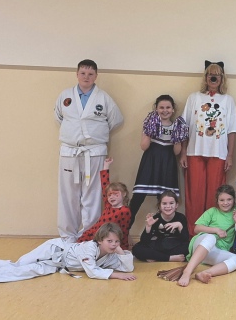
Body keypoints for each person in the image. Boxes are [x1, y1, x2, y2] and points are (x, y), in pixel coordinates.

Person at [55, 59, 123, 242]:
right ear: (77, 74)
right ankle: (67, 236)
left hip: (94, 151)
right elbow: (59, 117)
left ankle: (90, 235)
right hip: (70, 151)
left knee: (92, 195)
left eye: (90, 74)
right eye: (83, 73)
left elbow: (115, 120)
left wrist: (94, 134)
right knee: (68, 195)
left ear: (96, 76)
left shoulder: (104, 98)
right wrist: (75, 133)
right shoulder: (65, 96)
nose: (86, 77)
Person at [0, 223, 135, 287]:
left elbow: (128, 267)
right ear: (100, 240)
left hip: (56, 265)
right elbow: (92, 271)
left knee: (23, 272)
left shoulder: (110, 254)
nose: (113, 245)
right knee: (18, 264)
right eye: (110, 241)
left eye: (116, 241)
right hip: (53, 250)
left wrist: (120, 251)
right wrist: (117, 275)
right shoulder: (89, 248)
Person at [180, 61, 236, 233]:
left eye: (217, 75)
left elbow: (232, 130)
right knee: (195, 195)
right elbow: (185, 127)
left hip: (218, 154)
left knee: (216, 195)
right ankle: (193, 234)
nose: (213, 78)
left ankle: (214, 234)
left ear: (222, 78)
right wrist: (183, 153)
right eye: (210, 75)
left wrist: (229, 156)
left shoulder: (228, 100)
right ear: (206, 78)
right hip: (194, 152)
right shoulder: (194, 98)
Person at [129, 95, 188, 227]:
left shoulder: (177, 126)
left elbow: (176, 152)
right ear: (156, 108)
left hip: (168, 163)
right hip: (150, 162)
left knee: (166, 200)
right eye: (161, 107)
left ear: (173, 109)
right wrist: (150, 130)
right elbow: (144, 146)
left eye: (168, 107)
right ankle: (124, 231)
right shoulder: (150, 123)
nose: (165, 110)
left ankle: (164, 232)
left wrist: (177, 137)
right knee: (137, 199)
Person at [177, 184, 236, 286]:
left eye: (229, 199)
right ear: (217, 201)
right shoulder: (212, 211)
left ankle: (204, 273)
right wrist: (216, 230)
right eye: (222, 200)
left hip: (214, 252)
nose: (225, 203)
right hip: (200, 245)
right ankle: (187, 272)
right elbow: (197, 228)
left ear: (234, 199)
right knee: (211, 238)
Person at [77, 158, 132, 250]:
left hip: (106, 237)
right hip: (94, 234)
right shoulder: (108, 205)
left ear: (124, 194)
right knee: (80, 244)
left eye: (116, 194)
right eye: (110, 195)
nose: (112, 197)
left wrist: (121, 246)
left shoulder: (124, 211)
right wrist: (106, 166)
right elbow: (104, 184)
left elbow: (123, 229)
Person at [131, 190, 190, 262]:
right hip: (159, 245)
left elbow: (185, 239)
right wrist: (148, 226)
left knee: (189, 247)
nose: (168, 206)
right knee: (136, 249)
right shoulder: (155, 218)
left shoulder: (181, 217)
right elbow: (144, 241)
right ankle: (169, 258)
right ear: (159, 206)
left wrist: (179, 225)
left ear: (176, 205)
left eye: (171, 203)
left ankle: (156, 257)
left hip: (174, 245)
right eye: (164, 203)